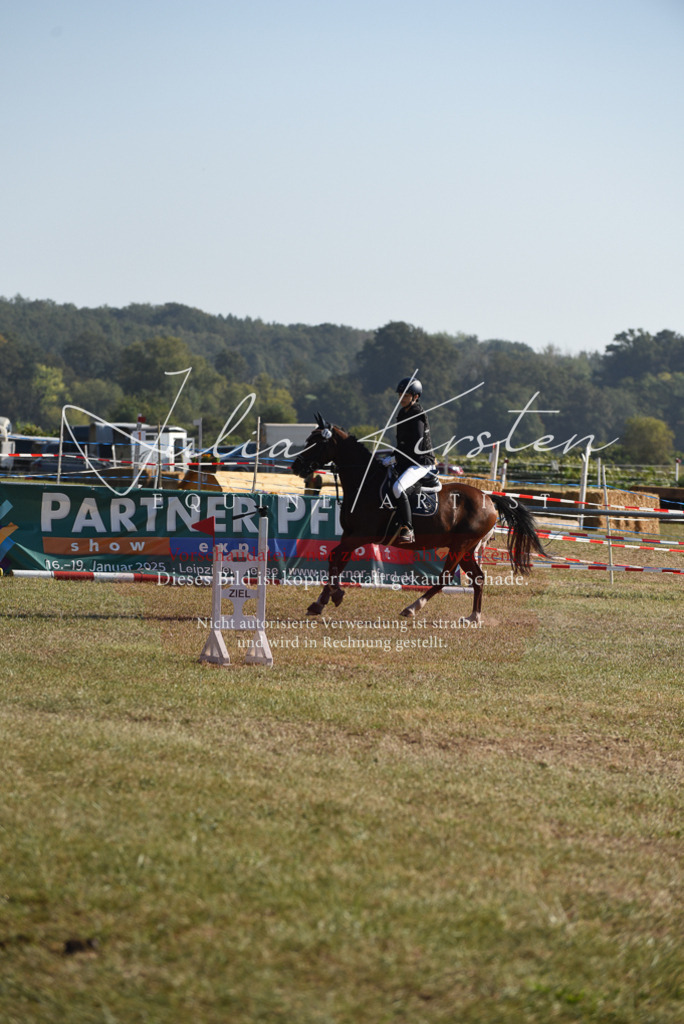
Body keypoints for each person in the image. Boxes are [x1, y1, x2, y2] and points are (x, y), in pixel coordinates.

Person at [391, 377, 435, 543]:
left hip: (421, 462)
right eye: (400, 395)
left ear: (415, 397)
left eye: (405, 395)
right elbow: (402, 443)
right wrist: (391, 456)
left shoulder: (417, 414)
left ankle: (408, 529)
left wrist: (395, 458)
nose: (401, 398)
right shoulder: (403, 413)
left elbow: (416, 446)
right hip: (407, 460)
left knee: (398, 488)